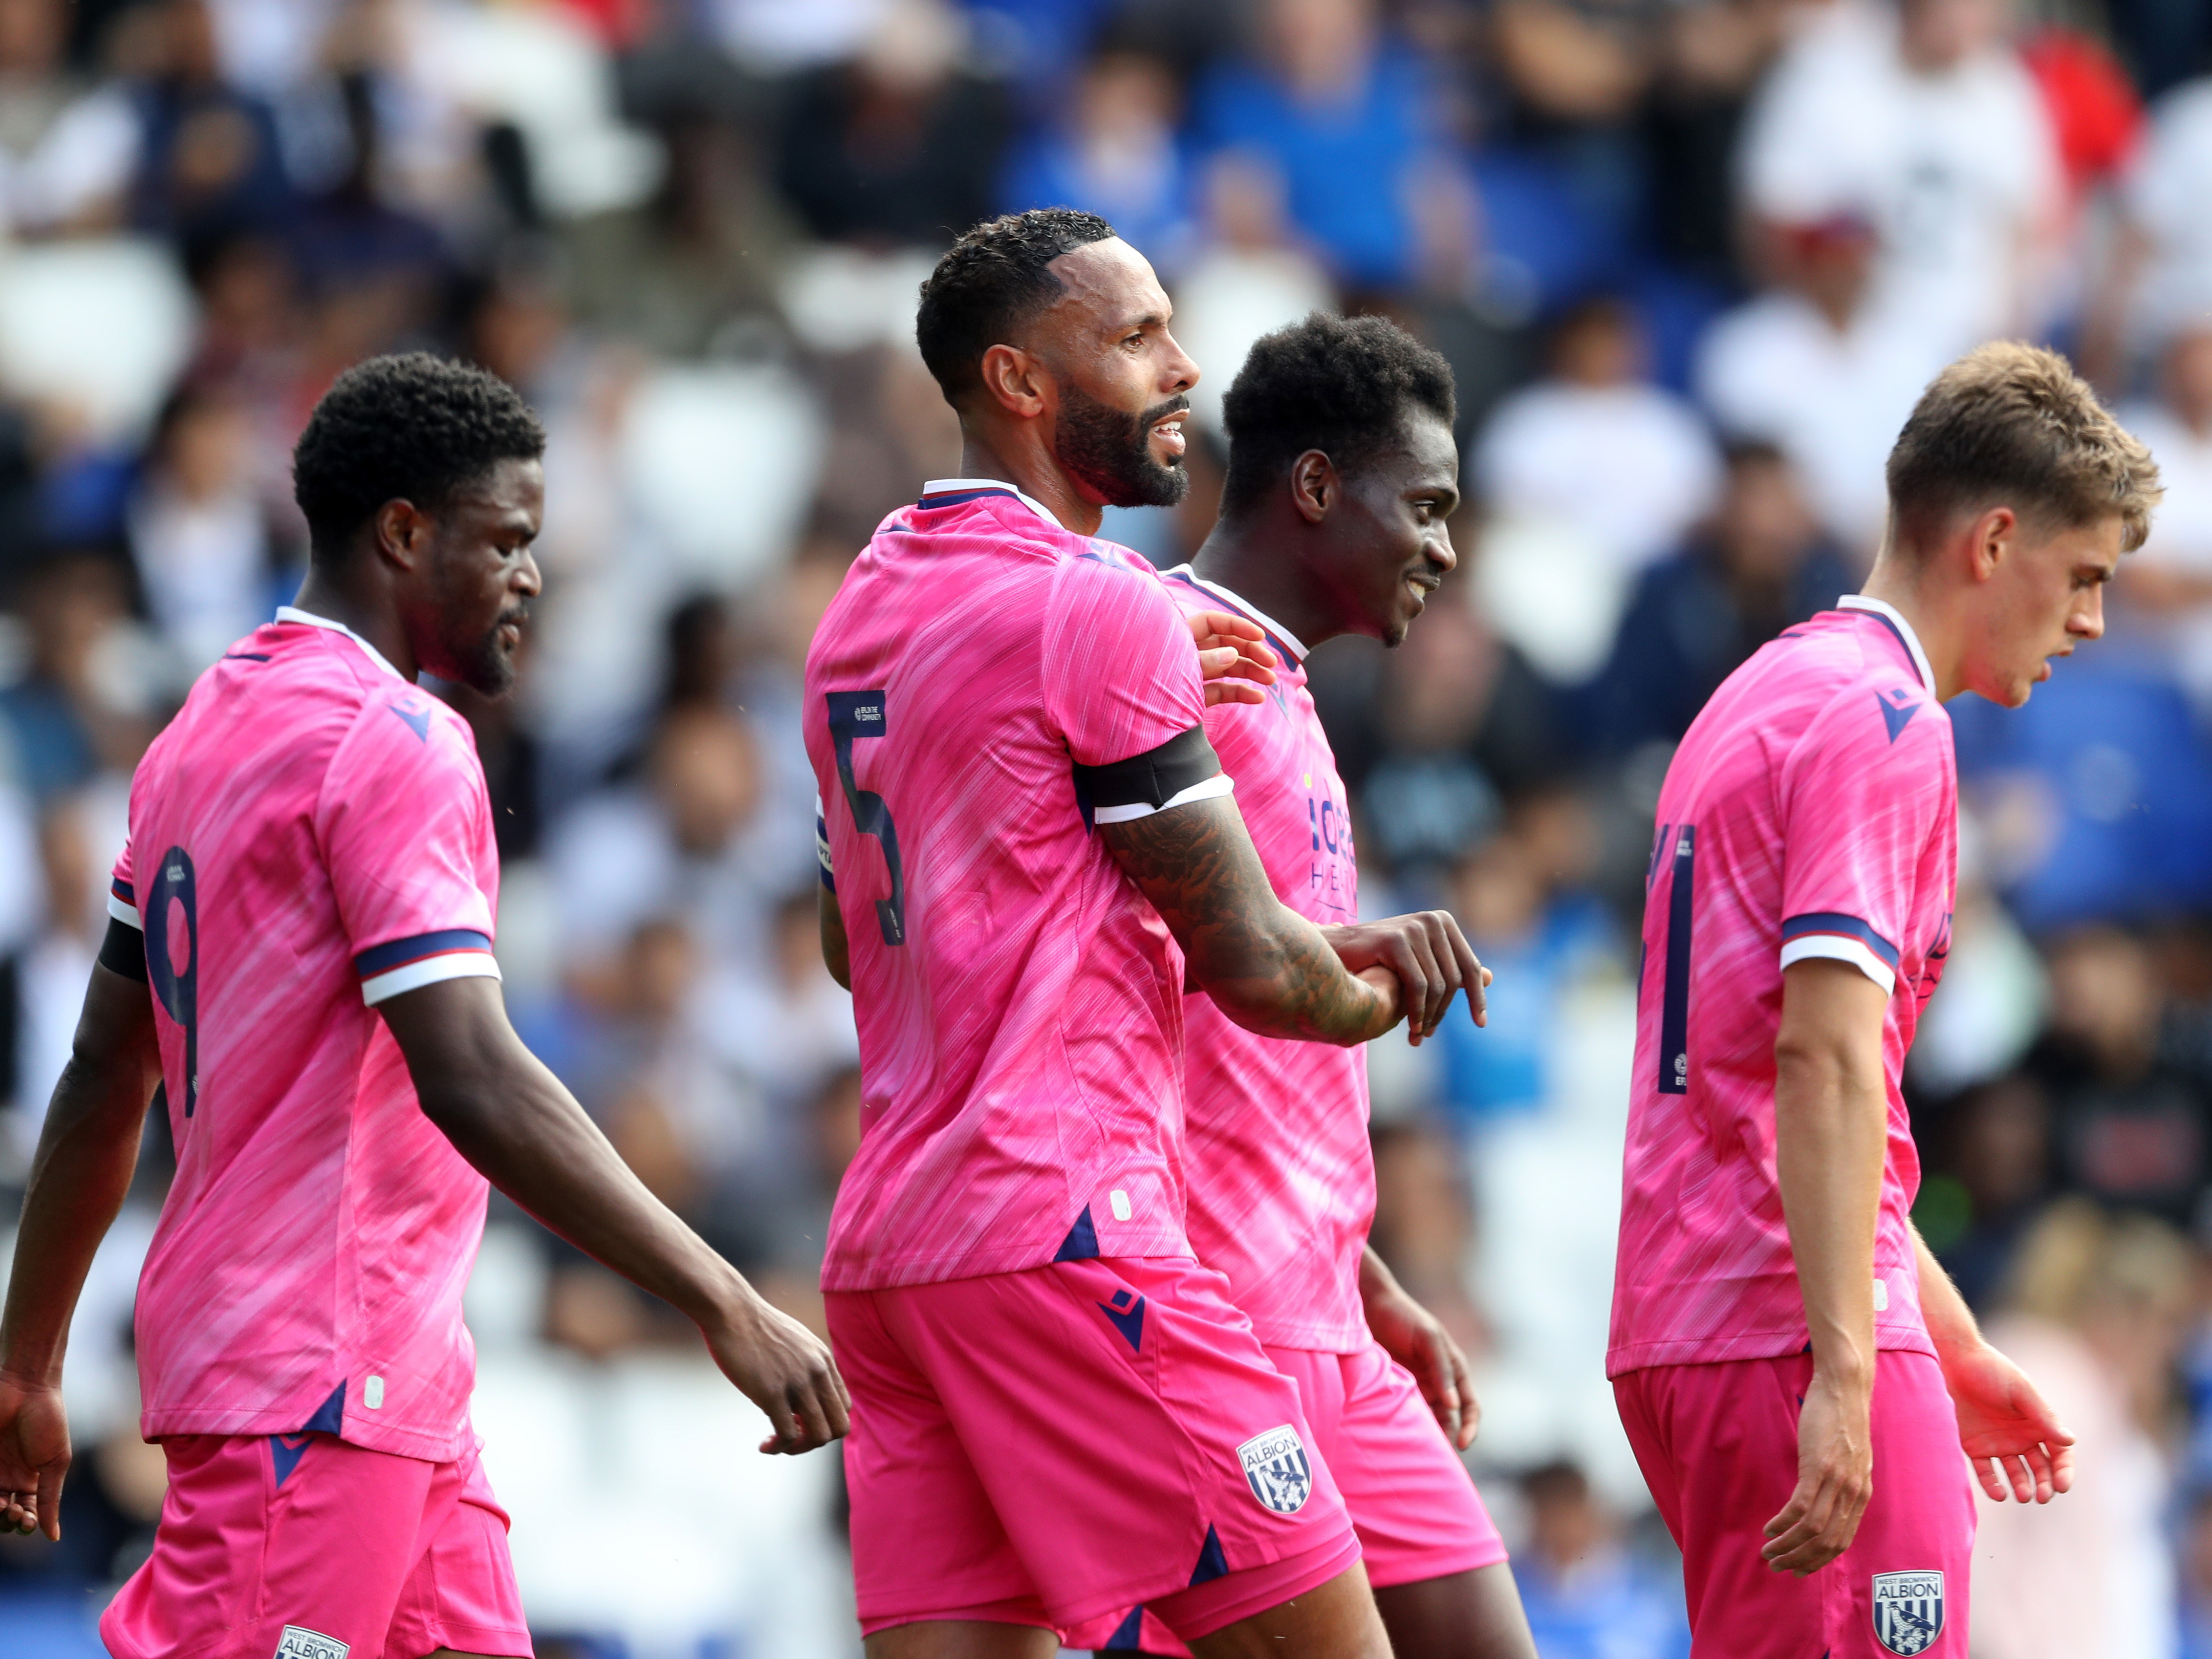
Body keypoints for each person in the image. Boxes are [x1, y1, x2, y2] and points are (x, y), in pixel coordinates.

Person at [0, 354, 849, 1659]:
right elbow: (470, 1071)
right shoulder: (394, 740)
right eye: (506, 539)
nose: (532, 576)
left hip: (391, 1393)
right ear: (405, 532)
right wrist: (721, 1294)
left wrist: (27, 1361)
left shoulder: (196, 737)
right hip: (314, 1385)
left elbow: (104, 1079)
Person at [807, 209, 1485, 1659]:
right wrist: (1383, 974)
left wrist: (1354, 1261)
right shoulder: (1099, 604)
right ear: (1019, 380)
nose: (1182, 369)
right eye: (1133, 337)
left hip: (891, 1255)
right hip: (1068, 1231)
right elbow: (1263, 971)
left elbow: (845, 937)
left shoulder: (869, 599)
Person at [1608, 341, 2161, 1657]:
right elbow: (1826, 1063)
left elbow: (1755, 1074)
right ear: (1996, 539)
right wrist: (1854, 1366)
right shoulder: (1888, 723)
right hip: (1790, 1325)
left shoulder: (1763, 693)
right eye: (2081, 578)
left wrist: (1949, 1337)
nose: (2088, 622)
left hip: (1690, 1322)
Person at [1066, 312, 1536, 1659]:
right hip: (1211, 1324)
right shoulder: (1152, 647)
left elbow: (1244, 1047)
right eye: (1430, 507)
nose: (1446, 549)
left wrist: (1367, 1273)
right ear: (1318, 488)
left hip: (1326, 1310)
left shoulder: (1280, 681)